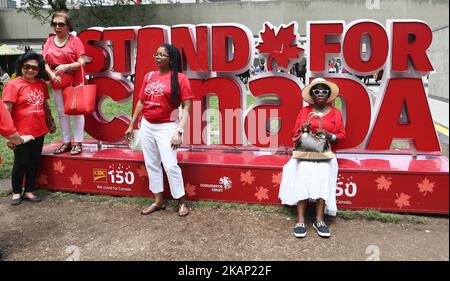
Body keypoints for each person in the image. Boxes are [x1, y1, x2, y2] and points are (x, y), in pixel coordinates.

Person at [125, 44, 193, 217]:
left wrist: (179, 131)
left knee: (170, 165)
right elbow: (141, 102)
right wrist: (131, 125)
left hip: (167, 126)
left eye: (161, 55)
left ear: (171, 59)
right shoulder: (149, 76)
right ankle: (158, 201)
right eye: (156, 54)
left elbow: (186, 107)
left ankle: (182, 201)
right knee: (152, 164)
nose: (156, 57)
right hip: (147, 125)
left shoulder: (180, 79)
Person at [279, 78, 345, 238]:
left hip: (325, 154)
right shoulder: (304, 112)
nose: (321, 94)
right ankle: (300, 219)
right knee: (302, 173)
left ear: (329, 95)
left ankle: (319, 220)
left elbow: (342, 136)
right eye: (317, 91)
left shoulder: (336, 113)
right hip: (305, 153)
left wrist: (331, 136)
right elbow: (293, 133)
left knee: (323, 174)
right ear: (312, 95)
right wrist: (302, 129)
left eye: (324, 91)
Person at [2, 52, 56, 206]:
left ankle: (29, 190)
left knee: (34, 161)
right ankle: (16, 191)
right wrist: (9, 135)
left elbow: (44, 105)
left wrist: (50, 121)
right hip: (21, 133)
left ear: (39, 70)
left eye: (34, 67)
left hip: (39, 130)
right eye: (27, 66)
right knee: (21, 162)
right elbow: (6, 111)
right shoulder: (13, 85)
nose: (30, 70)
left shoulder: (41, 84)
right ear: (21, 67)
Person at [42, 10, 86, 155]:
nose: (57, 27)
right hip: (57, 81)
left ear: (68, 26)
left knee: (77, 112)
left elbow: (82, 62)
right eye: (54, 24)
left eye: (61, 24)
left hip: (74, 80)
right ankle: (66, 142)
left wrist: (67, 66)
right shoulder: (49, 41)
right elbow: (45, 63)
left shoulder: (75, 41)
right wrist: (51, 74)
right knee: (62, 113)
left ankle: (78, 142)